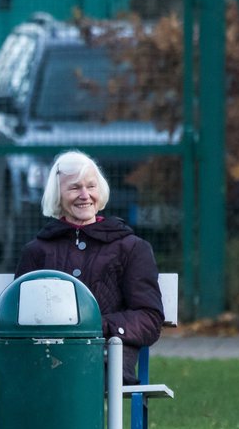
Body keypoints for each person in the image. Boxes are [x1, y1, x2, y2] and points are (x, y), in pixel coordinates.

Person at [16, 149, 164, 383]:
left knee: (84, 376)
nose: (85, 195)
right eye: (74, 188)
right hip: (46, 356)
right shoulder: (37, 250)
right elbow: (20, 315)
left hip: (107, 355)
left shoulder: (131, 247)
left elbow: (149, 318)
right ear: (58, 195)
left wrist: (95, 326)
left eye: (91, 186)